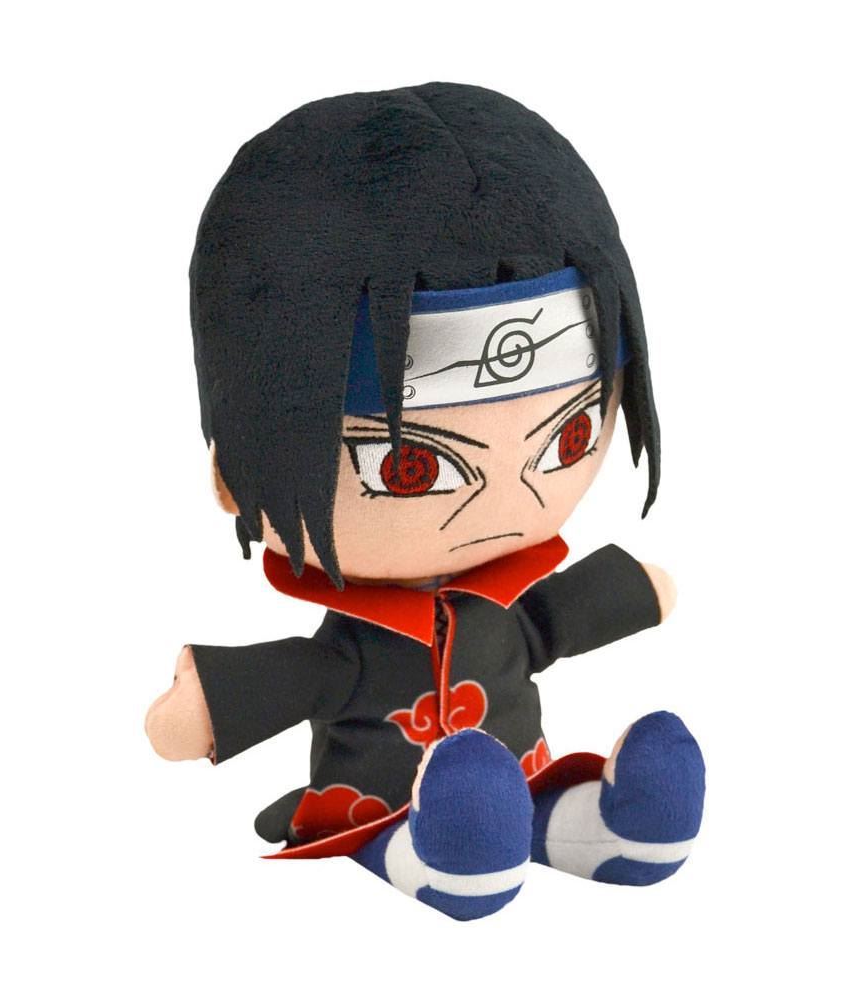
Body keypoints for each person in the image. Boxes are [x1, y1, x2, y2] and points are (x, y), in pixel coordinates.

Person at [145, 83, 705, 921]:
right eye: (408, 466)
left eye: (569, 437)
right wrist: (205, 709)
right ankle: (444, 854)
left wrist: (632, 592)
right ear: (236, 472)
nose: (509, 501)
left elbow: (546, 623)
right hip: (373, 806)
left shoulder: (503, 609)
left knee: (520, 797)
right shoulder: (352, 654)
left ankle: (615, 829)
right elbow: (292, 680)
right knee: (431, 824)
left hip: (522, 774)